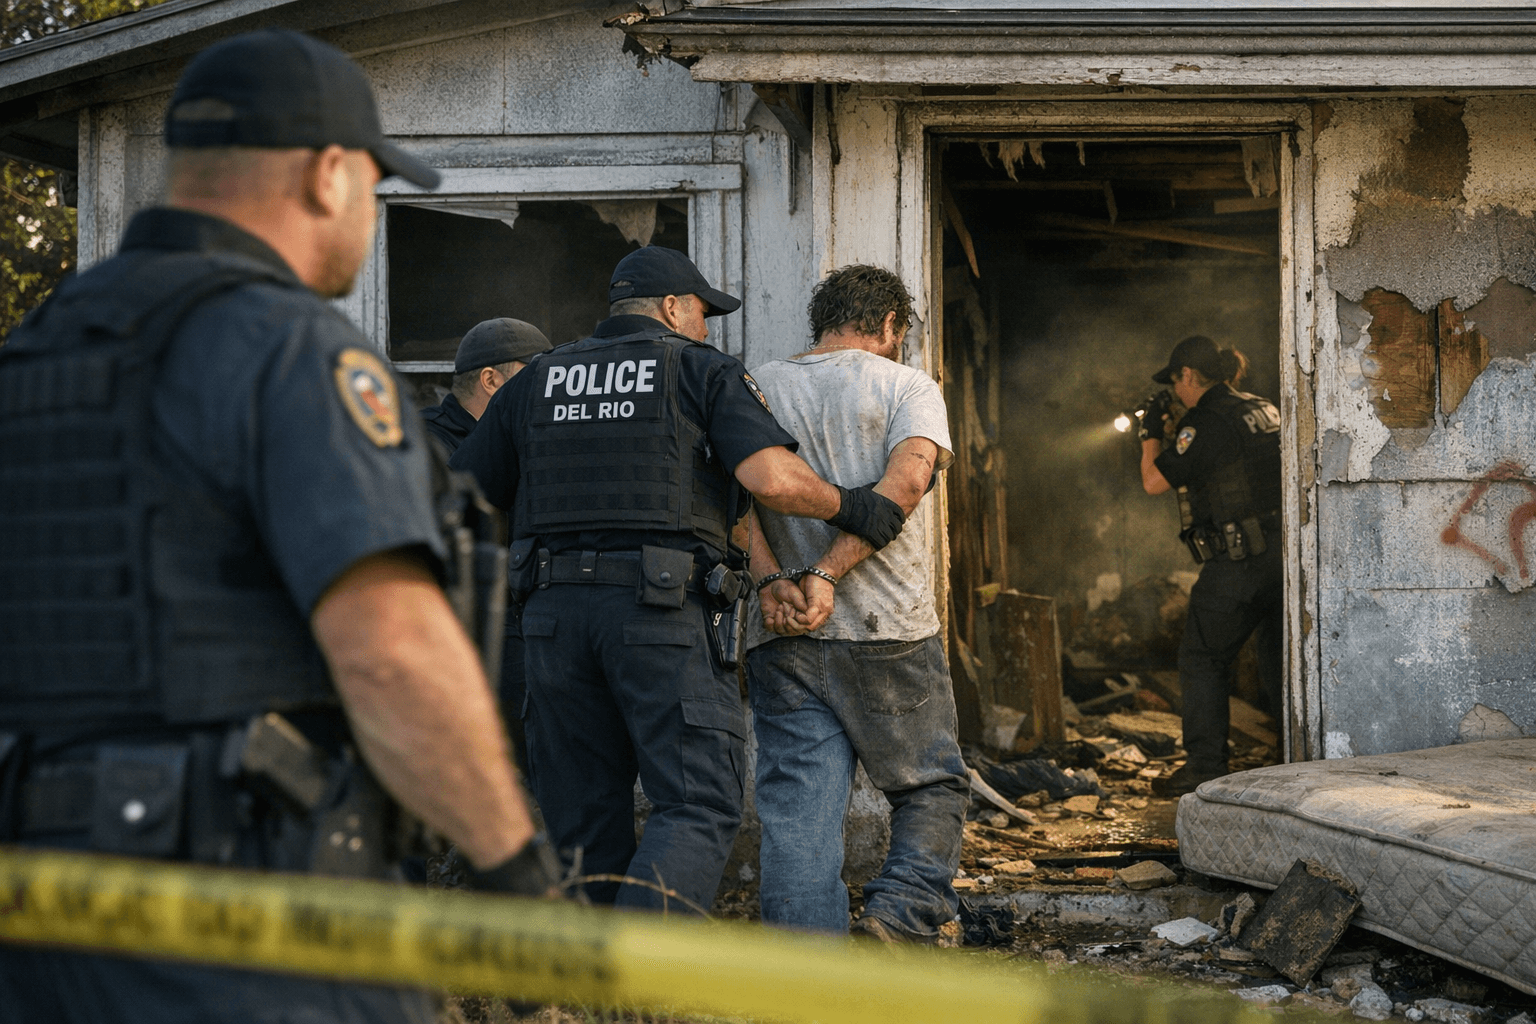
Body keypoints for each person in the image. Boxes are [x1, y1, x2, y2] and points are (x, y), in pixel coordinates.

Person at [0, 30, 554, 1024]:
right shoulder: (287, 349)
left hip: (40, 908)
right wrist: (515, 870)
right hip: (248, 915)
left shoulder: (38, 352)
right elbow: (389, 650)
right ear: (327, 173)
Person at [451, 245, 908, 914]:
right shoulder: (700, 371)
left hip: (550, 621)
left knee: (582, 815)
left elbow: (466, 496)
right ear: (671, 307)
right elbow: (771, 482)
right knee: (696, 803)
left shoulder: (534, 380)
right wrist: (861, 508)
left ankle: (586, 996)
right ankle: (638, 978)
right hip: (658, 616)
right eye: (701, 312)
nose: (705, 327)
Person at [740, 265, 968, 943]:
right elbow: (906, 485)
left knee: (799, 810)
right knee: (930, 788)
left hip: (782, 630)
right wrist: (830, 572)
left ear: (824, 320)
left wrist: (774, 580)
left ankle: (810, 984)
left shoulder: (755, 387)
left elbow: (729, 506)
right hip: (889, 630)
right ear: (892, 326)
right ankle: (896, 921)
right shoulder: (907, 386)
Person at [1138, 334, 1283, 798]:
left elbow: (1154, 481)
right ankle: (1294, 757)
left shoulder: (1205, 422)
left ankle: (1204, 766)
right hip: (1283, 559)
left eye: (1176, 383)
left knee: (1202, 659)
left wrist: (1151, 434)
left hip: (1240, 562)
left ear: (1187, 376)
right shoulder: (1262, 408)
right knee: (1278, 660)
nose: (1176, 393)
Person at [421, 317, 551, 453]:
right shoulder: (429, 441)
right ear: (491, 381)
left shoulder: (517, 433)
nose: (546, 388)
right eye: (533, 376)